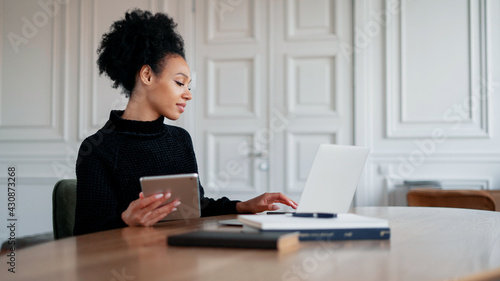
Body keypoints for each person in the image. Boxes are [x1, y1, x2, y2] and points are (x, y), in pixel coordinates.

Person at [73, 9, 297, 236]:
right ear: (147, 76)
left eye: (189, 86)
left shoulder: (179, 140)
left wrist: (242, 206)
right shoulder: (98, 149)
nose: (188, 94)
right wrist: (126, 219)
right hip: (130, 264)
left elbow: (195, 208)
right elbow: (85, 232)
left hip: (182, 256)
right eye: (180, 83)